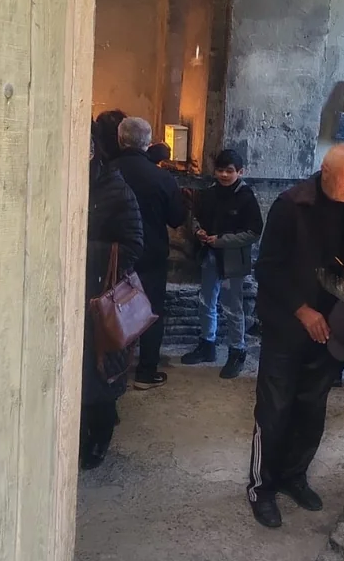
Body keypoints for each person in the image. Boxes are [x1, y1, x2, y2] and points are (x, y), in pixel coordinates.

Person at [246, 144, 344, 528]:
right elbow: (267, 268)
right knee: (275, 408)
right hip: (287, 326)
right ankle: (262, 488)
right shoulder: (291, 206)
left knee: (311, 409)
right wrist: (302, 310)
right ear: (325, 172)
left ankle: (293, 476)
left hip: (330, 330)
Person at [81, 133, 145, 470]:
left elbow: (133, 245)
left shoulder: (116, 189)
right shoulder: (63, 180)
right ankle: (81, 434)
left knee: (100, 373)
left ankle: (99, 438)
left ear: (93, 150)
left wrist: (80, 248)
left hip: (101, 298)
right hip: (68, 297)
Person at [110, 117, 188, 389]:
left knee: (114, 310)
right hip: (151, 253)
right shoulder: (162, 177)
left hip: (115, 254)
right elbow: (176, 218)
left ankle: (114, 373)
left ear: (120, 139)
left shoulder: (107, 171)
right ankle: (146, 371)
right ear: (148, 142)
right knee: (152, 311)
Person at [180, 149, 265, 379]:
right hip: (209, 255)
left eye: (229, 171)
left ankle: (237, 351)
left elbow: (254, 232)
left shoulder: (246, 197)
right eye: (220, 170)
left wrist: (222, 241)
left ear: (240, 172)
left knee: (232, 306)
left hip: (232, 260)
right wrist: (198, 231)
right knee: (205, 300)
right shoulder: (209, 193)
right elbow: (195, 217)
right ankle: (207, 344)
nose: (224, 175)